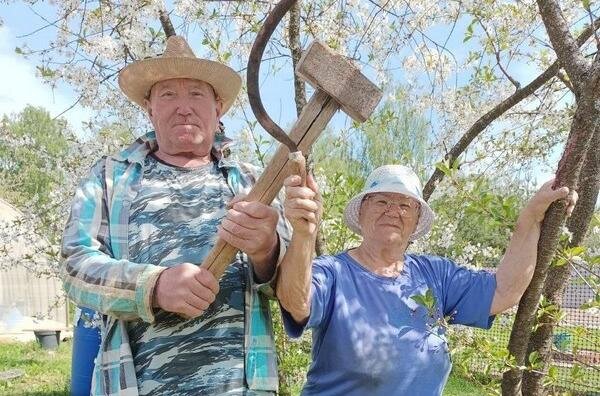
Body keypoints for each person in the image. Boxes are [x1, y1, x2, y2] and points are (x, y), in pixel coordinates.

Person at [61, 35, 290, 395]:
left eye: (196, 94)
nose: (183, 107)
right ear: (149, 108)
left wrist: (267, 251)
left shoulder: (252, 182)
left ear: (218, 109)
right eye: (168, 94)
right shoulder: (108, 177)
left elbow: (291, 291)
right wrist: (151, 286)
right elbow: (75, 269)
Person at [277, 164, 577, 396]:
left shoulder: (434, 273)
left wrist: (531, 217)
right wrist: (304, 234)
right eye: (381, 201)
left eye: (405, 205)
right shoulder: (334, 272)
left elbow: (505, 290)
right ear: (363, 211)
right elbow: (296, 301)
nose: (393, 211)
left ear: (417, 219)